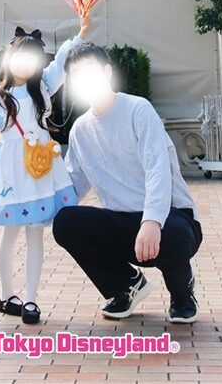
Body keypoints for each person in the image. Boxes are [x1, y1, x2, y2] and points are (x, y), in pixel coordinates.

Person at [0, 20, 89, 325]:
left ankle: (31, 299)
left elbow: (61, 61)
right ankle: (6, 294)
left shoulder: (44, 87)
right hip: (14, 169)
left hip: (41, 165)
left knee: (36, 233)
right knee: (11, 233)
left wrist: (79, 34)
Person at [52, 42, 202, 324]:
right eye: (76, 75)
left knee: (174, 237)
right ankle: (126, 285)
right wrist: (37, 197)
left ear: (107, 72)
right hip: (122, 222)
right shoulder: (81, 129)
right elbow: (73, 185)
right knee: (65, 222)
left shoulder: (137, 109)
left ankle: (182, 294)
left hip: (169, 217)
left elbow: (158, 170)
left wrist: (152, 221)